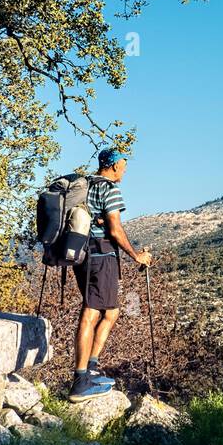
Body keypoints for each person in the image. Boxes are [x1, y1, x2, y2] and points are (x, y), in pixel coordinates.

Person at [70, 148, 152, 402]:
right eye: (124, 166)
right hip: (101, 255)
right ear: (114, 166)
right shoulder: (110, 189)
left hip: (83, 254)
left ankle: (91, 367)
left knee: (111, 311)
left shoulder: (85, 185)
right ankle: (80, 380)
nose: (125, 171)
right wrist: (136, 255)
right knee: (91, 311)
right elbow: (115, 230)